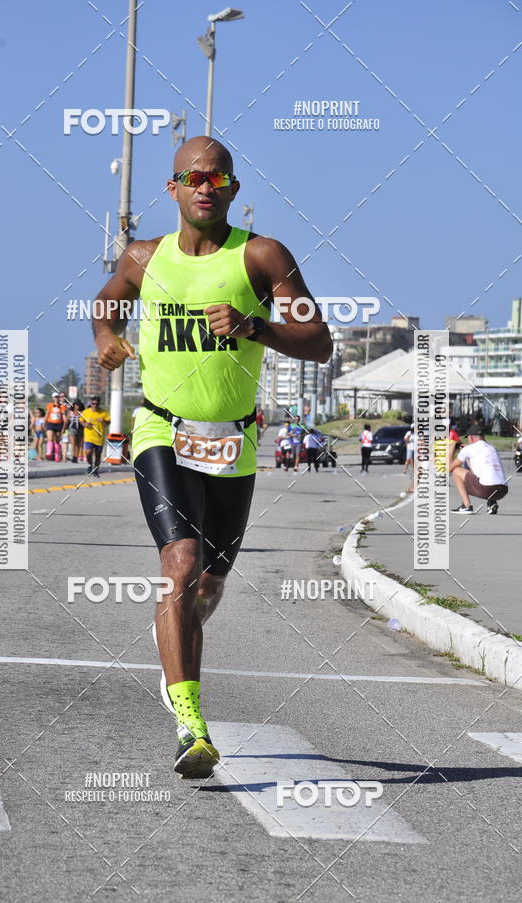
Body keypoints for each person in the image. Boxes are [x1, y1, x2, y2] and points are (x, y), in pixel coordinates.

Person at [91, 135, 332, 778]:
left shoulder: (262, 257)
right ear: (172, 189)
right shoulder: (145, 259)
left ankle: (176, 628)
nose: (206, 187)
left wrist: (257, 327)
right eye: (193, 178)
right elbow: (107, 300)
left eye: (219, 179)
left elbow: (319, 342)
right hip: (161, 430)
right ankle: (190, 724)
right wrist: (108, 337)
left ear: (233, 189)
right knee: (182, 560)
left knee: (209, 583)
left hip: (233, 440)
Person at [449, 425, 508, 514]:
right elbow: (476, 474)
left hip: (487, 489)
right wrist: (468, 458)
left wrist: (451, 449)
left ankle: (466, 506)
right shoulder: (492, 448)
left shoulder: (468, 449)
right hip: (503, 490)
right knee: (486, 477)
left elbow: (450, 468)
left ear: (471, 438)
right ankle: (491, 503)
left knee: (456, 471)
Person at [80, 395, 110, 477]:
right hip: (89, 436)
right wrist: (85, 424)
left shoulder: (103, 413)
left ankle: (95, 470)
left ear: (99, 404)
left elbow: (108, 422)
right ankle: (90, 465)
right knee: (88, 452)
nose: (95, 405)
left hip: (99, 437)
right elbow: (81, 421)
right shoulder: (86, 412)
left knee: (98, 455)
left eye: (97, 404)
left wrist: (103, 421)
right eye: (93, 403)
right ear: (91, 403)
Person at [45, 392, 67, 461]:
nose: (56, 398)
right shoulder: (50, 405)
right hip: (51, 423)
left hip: (58, 424)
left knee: (57, 440)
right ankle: (49, 453)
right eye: (55, 397)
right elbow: (47, 414)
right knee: (50, 439)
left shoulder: (62, 406)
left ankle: (57, 455)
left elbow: (64, 417)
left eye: (57, 397)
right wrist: (44, 423)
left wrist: (64, 426)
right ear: (53, 398)